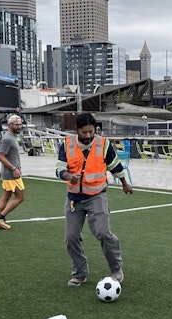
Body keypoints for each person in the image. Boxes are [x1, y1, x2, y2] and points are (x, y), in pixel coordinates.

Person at [56, 112, 132, 287]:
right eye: (84, 132)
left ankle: (116, 268)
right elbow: (59, 168)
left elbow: (114, 165)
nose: (89, 136)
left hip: (97, 195)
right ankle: (80, 273)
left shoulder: (103, 144)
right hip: (74, 199)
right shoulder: (66, 145)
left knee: (103, 233)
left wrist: (124, 183)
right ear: (77, 130)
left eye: (92, 131)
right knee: (71, 237)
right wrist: (68, 175)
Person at [0, 115, 25, 230]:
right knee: (20, 197)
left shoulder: (11, 137)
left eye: (20, 124)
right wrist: (13, 168)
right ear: (10, 125)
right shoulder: (7, 139)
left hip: (10, 173)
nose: (19, 126)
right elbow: (0, 157)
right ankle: (0, 217)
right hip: (11, 174)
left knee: (6, 196)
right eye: (17, 124)